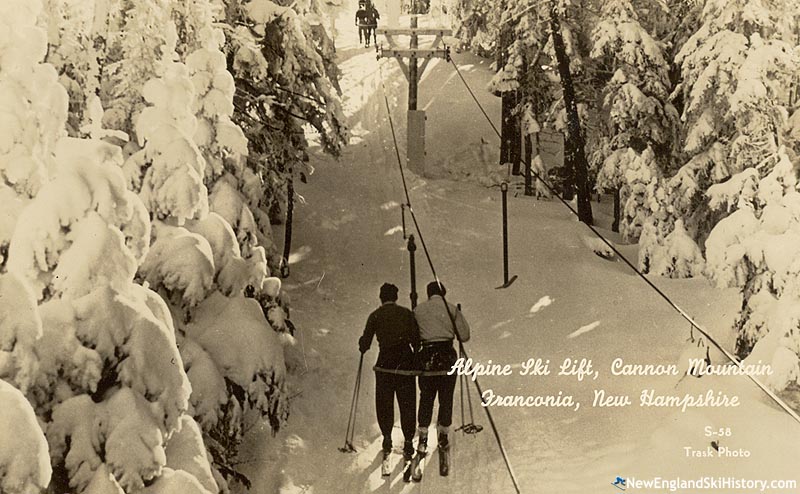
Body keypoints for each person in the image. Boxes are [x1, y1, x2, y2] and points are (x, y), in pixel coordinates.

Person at [359, 283, 418, 461]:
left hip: (384, 366)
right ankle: (408, 441)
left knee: (384, 404)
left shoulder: (375, 315)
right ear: (396, 297)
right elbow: (416, 340)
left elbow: (365, 343)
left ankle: (387, 438)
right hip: (405, 366)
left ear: (381, 297)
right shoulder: (407, 314)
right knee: (407, 404)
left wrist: (362, 345)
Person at [413, 281, 470, 456]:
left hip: (427, 358)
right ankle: (443, 434)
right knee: (446, 397)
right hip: (447, 357)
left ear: (428, 293)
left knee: (426, 397)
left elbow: (413, 337)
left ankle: (422, 437)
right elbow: (465, 336)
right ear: (443, 292)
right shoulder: (452, 309)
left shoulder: (418, 310)